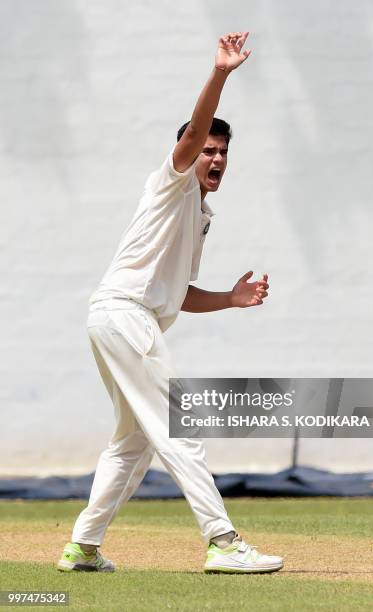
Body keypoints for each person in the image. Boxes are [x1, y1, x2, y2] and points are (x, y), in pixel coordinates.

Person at [58, 31, 283, 574]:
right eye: (209, 149)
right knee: (180, 428)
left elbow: (177, 296)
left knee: (132, 443)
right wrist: (222, 74)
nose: (216, 157)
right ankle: (223, 542)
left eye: (224, 152)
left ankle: (83, 547)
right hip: (124, 316)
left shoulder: (199, 215)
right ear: (188, 152)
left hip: (119, 319)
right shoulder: (172, 183)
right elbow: (196, 128)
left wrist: (228, 299)